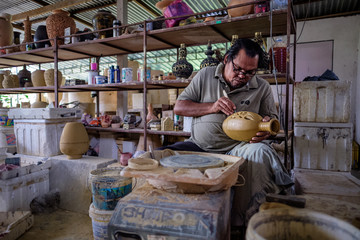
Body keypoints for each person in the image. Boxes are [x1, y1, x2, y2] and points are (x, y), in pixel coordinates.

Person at [159, 38, 293, 227]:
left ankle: (244, 221)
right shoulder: (205, 75)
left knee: (262, 152)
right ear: (227, 59)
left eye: (249, 72)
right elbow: (179, 107)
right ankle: (174, 219)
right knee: (159, 157)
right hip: (199, 146)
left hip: (238, 149)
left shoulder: (261, 87)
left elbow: (271, 121)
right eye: (237, 69)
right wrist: (212, 107)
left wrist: (266, 130)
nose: (242, 75)